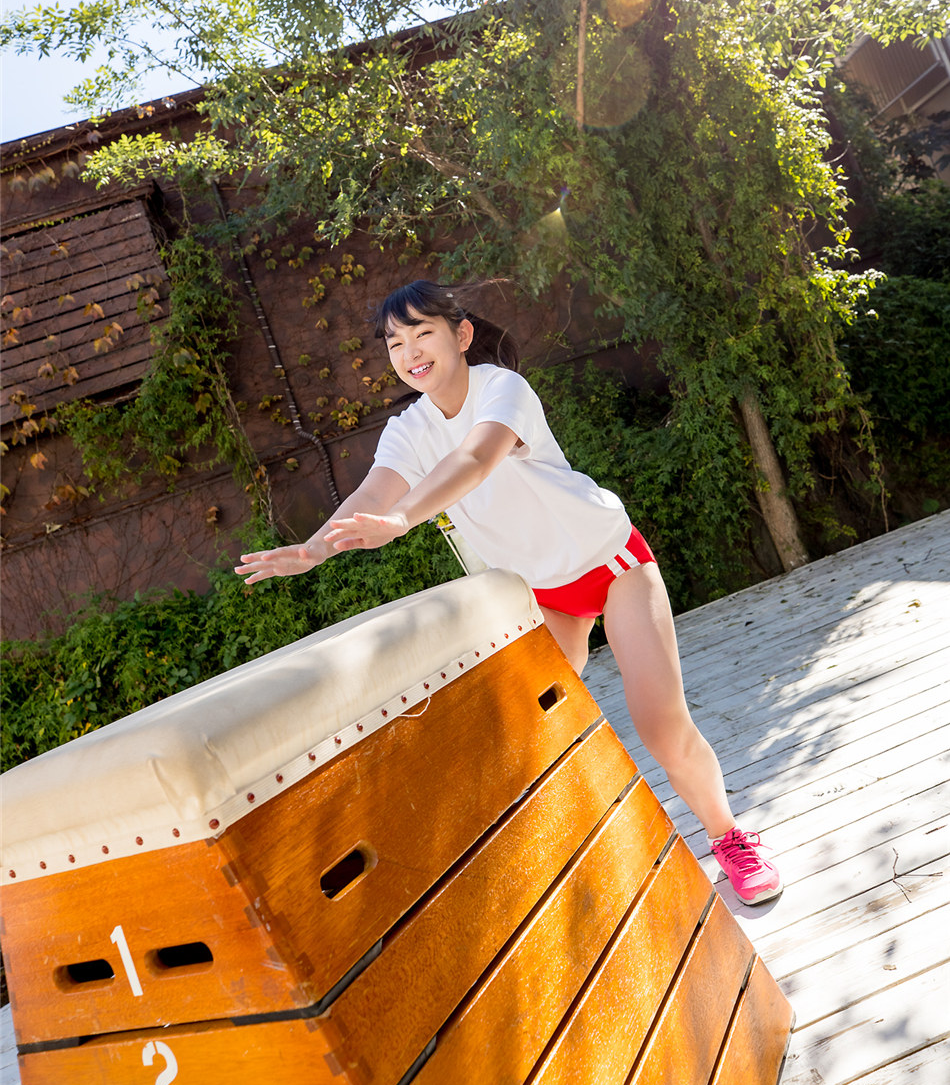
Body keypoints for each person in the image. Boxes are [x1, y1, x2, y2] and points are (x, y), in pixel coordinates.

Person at [235, 280, 782, 905]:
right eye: (395, 343)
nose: (410, 352)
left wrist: (403, 519)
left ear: (461, 335)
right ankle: (600, 863)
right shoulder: (408, 430)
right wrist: (314, 549)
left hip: (611, 565)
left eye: (423, 334)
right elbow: (374, 493)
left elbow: (474, 460)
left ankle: (730, 837)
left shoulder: (502, 389)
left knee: (661, 726)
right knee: (531, 733)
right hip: (540, 593)